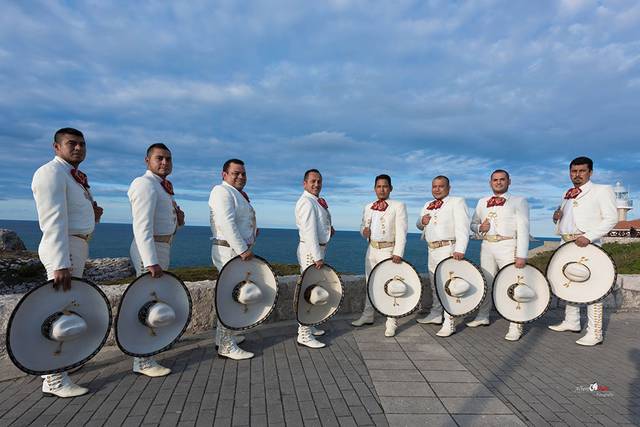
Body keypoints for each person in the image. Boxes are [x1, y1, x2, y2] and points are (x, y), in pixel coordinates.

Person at [32, 127, 103, 397]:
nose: (78, 148)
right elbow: (52, 222)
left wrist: (92, 216)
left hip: (76, 245)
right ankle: (53, 379)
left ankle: (58, 368)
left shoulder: (74, 177)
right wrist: (61, 262)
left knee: (67, 310)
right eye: (71, 143)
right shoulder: (50, 173)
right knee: (59, 316)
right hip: (63, 249)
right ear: (56, 147)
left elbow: (70, 214)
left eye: (82, 144)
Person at [128, 143, 185, 376]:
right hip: (149, 250)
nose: (164, 163)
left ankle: (148, 353)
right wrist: (150, 261)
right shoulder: (144, 184)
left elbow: (161, 223)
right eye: (159, 158)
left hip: (161, 247)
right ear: (147, 160)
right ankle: (142, 361)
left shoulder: (161, 187)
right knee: (147, 306)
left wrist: (178, 222)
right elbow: (142, 227)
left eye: (168, 159)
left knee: (153, 303)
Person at [548, 156, 617, 346]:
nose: (577, 175)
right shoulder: (567, 193)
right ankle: (572, 321)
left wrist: (589, 236)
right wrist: (556, 218)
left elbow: (611, 219)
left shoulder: (601, 190)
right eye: (573, 171)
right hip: (566, 242)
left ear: (590, 172)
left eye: (581, 171)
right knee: (568, 281)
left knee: (593, 287)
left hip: (588, 244)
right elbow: (568, 217)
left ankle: (595, 333)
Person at [468, 169, 529, 341]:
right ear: (490, 183)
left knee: (512, 284)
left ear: (509, 182)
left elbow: (524, 229)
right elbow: (473, 224)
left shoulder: (519, 201)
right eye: (495, 180)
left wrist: (521, 254)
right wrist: (480, 228)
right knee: (486, 281)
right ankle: (483, 316)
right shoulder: (482, 202)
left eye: (502, 179)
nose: (499, 182)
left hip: (508, 245)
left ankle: (516, 323)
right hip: (487, 245)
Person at [209, 159, 254, 359]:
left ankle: (223, 338)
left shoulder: (236, 194)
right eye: (236, 173)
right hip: (229, 251)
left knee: (229, 295)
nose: (241, 176)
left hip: (234, 250)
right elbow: (227, 223)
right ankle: (226, 346)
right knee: (231, 298)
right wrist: (243, 249)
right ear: (224, 174)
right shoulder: (221, 191)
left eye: (243, 173)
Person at [352, 174, 408, 337]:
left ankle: (391, 322)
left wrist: (397, 253)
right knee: (370, 282)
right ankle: (368, 315)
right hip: (372, 249)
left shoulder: (398, 205)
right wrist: (364, 232)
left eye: (385, 186)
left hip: (388, 250)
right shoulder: (369, 206)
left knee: (390, 286)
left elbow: (402, 232)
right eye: (378, 186)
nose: (381, 189)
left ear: (390, 188)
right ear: (374, 188)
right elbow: (362, 226)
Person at [415, 176, 470, 337]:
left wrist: (460, 249)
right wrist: (422, 221)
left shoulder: (457, 202)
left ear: (449, 187)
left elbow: (463, 228)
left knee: (448, 286)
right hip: (432, 250)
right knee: (434, 284)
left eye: (441, 186)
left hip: (448, 249)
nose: (437, 189)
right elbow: (419, 225)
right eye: (434, 186)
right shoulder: (427, 205)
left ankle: (449, 321)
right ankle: (436, 313)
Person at [295, 169, 335, 348]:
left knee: (313, 289)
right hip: (311, 251)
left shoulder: (315, 202)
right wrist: (317, 257)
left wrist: (328, 231)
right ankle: (303, 334)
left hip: (316, 249)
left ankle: (309, 326)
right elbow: (309, 231)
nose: (316, 184)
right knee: (308, 292)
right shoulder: (306, 202)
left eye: (319, 181)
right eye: (313, 181)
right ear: (305, 183)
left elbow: (318, 226)